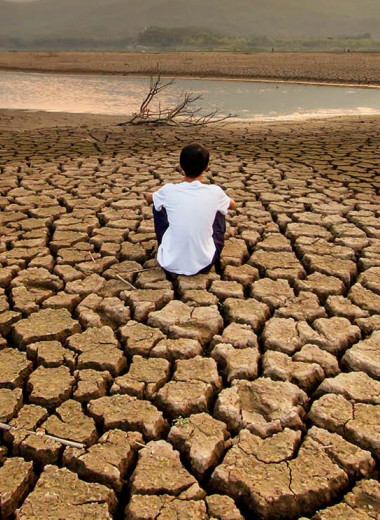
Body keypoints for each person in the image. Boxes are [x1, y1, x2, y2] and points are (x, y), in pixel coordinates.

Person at [144, 143, 236, 276]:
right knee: (220, 208)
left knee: (158, 205)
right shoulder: (215, 192)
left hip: (169, 262)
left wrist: (155, 196)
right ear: (206, 166)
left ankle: (169, 245)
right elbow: (233, 204)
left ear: (180, 165)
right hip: (205, 263)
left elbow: (149, 198)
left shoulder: (169, 190)